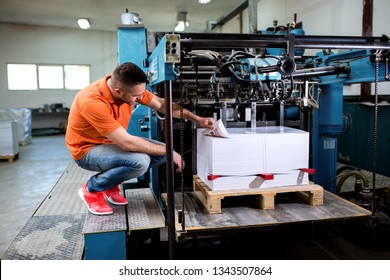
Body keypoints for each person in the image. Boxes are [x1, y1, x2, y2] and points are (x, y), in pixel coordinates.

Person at [65, 62, 214, 215]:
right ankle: (91, 189)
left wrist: (198, 119)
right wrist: (169, 151)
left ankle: (110, 185)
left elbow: (162, 105)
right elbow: (126, 142)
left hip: (111, 144)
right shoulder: (92, 102)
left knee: (160, 153)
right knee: (140, 162)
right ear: (118, 91)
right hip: (87, 151)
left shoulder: (130, 90)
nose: (140, 98)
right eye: (136, 96)